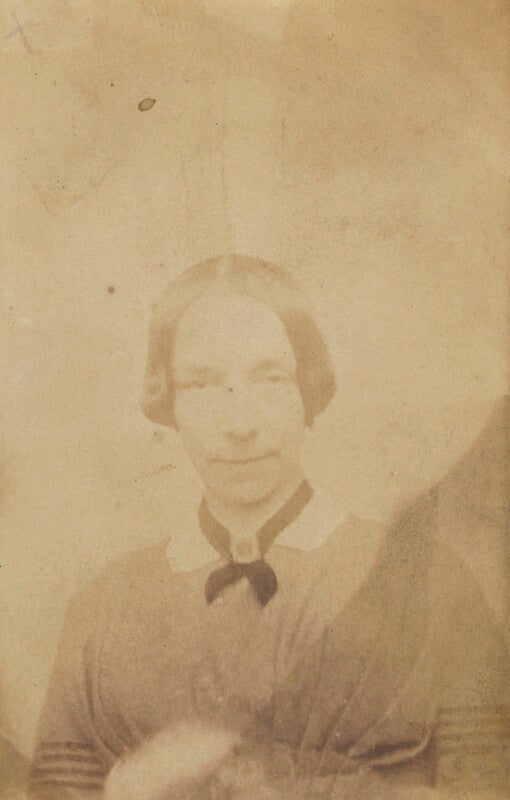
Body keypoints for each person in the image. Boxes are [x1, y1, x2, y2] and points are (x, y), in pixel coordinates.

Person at [29, 255, 509, 799]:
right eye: (202, 384)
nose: (241, 424)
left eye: (270, 378)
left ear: (309, 390)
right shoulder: (100, 611)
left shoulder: (431, 582)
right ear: (169, 403)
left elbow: (490, 788)